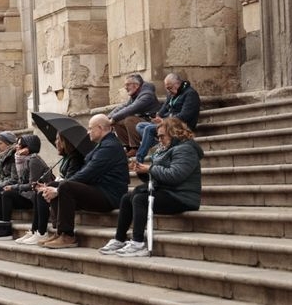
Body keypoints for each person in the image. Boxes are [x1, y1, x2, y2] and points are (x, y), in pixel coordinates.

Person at [99, 117, 203, 257]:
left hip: (183, 196)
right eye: (158, 137)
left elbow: (175, 175)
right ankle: (119, 239)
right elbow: (155, 176)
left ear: (174, 133)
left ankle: (138, 243)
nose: (159, 140)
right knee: (127, 198)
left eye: (162, 136)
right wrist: (141, 171)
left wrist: (150, 169)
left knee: (141, 199)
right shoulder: (165, 150)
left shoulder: (186, 149)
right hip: (169, 191)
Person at [42, 114, 129, 249]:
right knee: (54, 184)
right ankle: (59, 232)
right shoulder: (102, 145)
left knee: (64, 186)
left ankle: (68, 235)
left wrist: (59, 190)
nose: (87, 132)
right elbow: (86, 172)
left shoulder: (110, 147)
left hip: (109, 196)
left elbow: (88, 173)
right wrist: (56, 188)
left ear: (100, 128)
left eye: (90, 129)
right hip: (99, 190)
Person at [16, 133, 85, 245]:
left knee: (40, 193)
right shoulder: (66, 157)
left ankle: (41, 232)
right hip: (65, 186)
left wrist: (50, 186)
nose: (55, 142)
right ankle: (36, 231)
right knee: (41, 191)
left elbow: (71, 179)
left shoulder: (74, 158)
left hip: (72, 191)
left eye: (58, 139)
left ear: (64, 142)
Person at [0, 134, 48, 239]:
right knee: (2, 193)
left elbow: (32, 185)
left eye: (19, 144)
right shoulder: (23, 159)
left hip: (32, 196)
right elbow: (21, 181)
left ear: (28, 146)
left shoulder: (34, 160)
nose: (16, 146)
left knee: (6, 194)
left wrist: (13, 187)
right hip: (26, 194)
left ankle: (5, 229)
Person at [135, 73, 201, 163]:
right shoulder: (171, 94)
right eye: (167, 88)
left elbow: (185, 115)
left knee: (148, 129)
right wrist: (158, 116)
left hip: (181, 126)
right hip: (167, 123)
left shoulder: (190, 94)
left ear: (178, 84)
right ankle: (158, 141)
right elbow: (164, 108)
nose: (168, 91)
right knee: (140, 126)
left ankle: (139, 158)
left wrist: (165, 121)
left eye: (169, 88)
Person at [107, 73, 161, 158]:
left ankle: (135, 148)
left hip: (152, 123)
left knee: (130, 119)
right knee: (118, 122)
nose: (125, 87)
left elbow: (131, 108)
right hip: (143, 122)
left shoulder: (147, 95)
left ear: (136, 85)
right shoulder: (136, 94)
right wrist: (108, 118)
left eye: (128, 85)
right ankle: (129, 148)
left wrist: (113, 118)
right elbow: (124, 106)